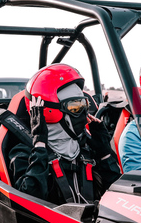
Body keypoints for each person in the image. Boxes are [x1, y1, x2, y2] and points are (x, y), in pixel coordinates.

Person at [8, 64, 121, 204]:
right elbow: (29, 204)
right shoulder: (23, 153)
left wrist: (104, 153)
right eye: (75, 106)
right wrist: (40, 146)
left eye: (84, 104)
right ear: (48, 111)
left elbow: (118, 198)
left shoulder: (86, 148)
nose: (84, 113)